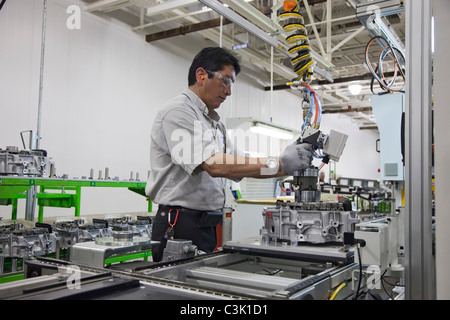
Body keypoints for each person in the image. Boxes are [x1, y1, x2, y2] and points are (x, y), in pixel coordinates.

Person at [145, 47, 312, 262]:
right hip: (178, 225)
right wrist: (279, 163)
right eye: (225, 81)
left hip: (205, 224)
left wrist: (285, 165)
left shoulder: (215, 125)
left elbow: (239, 166)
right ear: (201, 75)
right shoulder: (178, 112)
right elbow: (215, 165)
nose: (229, 92)